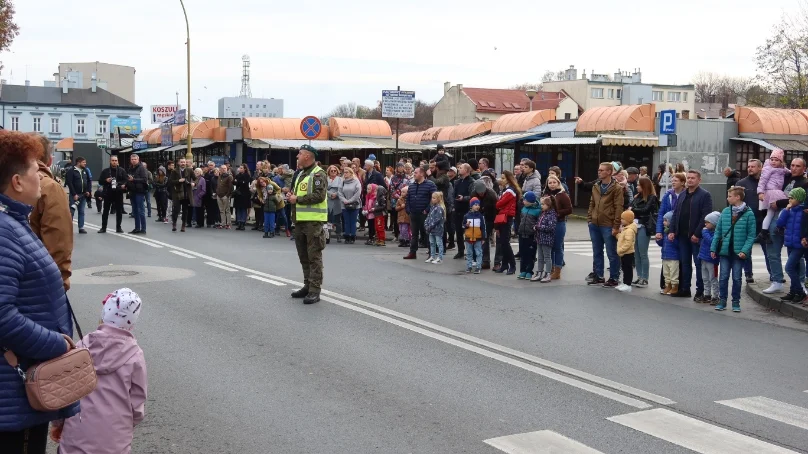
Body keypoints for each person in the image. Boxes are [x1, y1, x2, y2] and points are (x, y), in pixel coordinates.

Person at [0, 131, 78, 454]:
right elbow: (3, 315)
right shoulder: (6, 233)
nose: (42, 177)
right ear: (18, 181)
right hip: (16, 390)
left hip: (21, 386)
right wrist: (56, 343)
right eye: (37, 170)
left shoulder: (15, 223)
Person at [55, 288, 147, 454]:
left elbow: (65, 393)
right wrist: (128, 423)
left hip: (76, 437)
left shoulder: (81, 347)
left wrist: (58, 423)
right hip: (115, 441)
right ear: (132, 323)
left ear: (104, 314)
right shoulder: (135, 356)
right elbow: (137, 403)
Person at [28, 135, 73, 291]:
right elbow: (58, 242)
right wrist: (60, 282)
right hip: (38, 281)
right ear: (50, 161)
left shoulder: (8, 181)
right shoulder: (50, 187)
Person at [289, 144, 327, 305]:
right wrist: (291, 195)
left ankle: (315, 290)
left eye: (299, 154)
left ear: (307, 156)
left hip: (313, 222)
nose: (297, 157)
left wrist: (298, 199)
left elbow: (319, 195)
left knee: (314, 257)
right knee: (303, 256)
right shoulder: (300, 174)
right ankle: (307, 285)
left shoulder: (318, 174)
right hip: (300, 221)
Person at [762, 158, 807, 294]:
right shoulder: (784, 176)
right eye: (792, 165)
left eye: (798, 166)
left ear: (804, 168)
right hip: (776, 216)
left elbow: (800, 200)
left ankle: (800, 283)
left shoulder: (805, 183)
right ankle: (777, 281)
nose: (794, 168)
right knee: (772, 251)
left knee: (795, 255)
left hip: (794, 219)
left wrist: (780, 203)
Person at [669, 170, 714, 299]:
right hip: (682, 235)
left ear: (699, 180)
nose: (690, 180)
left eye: (693, 178)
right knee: (685, 263)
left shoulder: (705, 195)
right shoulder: (682, 194)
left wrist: (697, 233)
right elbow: (675, 214)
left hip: (695, 237)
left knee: (699, 264)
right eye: (688, 178)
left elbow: (705, 216)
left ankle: (700, 291)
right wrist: (672, 230)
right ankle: (685, 289)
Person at [711, 186, 755, 312]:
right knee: (723, 277)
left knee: (737, 277)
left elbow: (751, 235)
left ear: (738, 197)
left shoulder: (749, 213)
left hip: (738, 253)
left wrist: (744, 251)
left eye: (730, 196)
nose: (727, 198)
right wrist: (713, 248)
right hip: (725, 251)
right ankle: (722, 300)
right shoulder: (725, 211)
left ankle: (736, 301)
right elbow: (718, 231)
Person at [586, 162, 623, 287]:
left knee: (611, 252)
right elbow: (592, 203)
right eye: (599, 170)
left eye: (602, 170)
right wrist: (589, 219)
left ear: (609, 172)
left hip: (608, 224)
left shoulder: (616, 188)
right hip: (595, 223)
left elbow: (619, 207)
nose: (599, 172)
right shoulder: (596, 186)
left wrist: (616, 226)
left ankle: (614, 277)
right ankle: (598, 275)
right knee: (597, 251)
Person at [736, 159, 765, 285]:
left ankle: (774, 275)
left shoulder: (765, 183)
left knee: (768, 249)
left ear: (760, 168)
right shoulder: (742, 183)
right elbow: (736, 202)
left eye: (753, 166)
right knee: (747, 249)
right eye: (748, 166)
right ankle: (748, 273)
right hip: (747, 220)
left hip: (763, 220)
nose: (750, 168)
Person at [776, 187, 808, 303]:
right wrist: (786, 210)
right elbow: (779, 223)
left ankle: (800, 292)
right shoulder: (789, 211)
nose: (789, 200)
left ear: (799, 199)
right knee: (793, 268)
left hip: (799, 245)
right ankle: (793, 291)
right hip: (790, 243)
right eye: (789, 197)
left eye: (792, 198)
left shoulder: (804, 212)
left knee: (789, 267)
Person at [629, 176, 658, 288]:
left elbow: (645, 210)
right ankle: (639, 276)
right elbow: (629, 207)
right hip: (635, 225)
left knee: (643, 252)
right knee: (636, 253)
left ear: (644, 186)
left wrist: (633, 210)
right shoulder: (637, 196)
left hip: (644, 226)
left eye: (639, 185)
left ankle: (645, 278)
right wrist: (633, 210)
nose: (637, 187)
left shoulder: (652, 197)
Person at [756, 149, 790, 243]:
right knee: (781, 209)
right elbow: (762, 181)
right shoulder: (767, 168)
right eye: (772, 159)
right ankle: (778, 227)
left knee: (771, 213)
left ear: (781, 161)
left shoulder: (783, 169)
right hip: (772, 192)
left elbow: (789, 172)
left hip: (776, 191)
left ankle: (764, 231)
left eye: (776, 160)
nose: (773, 161)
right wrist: (760, 192)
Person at [403, 167, 438, 260]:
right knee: (414, 234)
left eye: (416, 172)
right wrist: (408, 209)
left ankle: (431, 253)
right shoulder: (411, 185)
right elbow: (408, 198)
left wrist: (427, 210)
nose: (414, 174)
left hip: (425, 214)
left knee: (427, 233)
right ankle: (412, 252)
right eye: (414, 172)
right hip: (413, 213)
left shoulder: (430, 185)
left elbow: (434, 198)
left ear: (422, 174)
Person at [543, 175, 572, 279]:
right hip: (547, 224)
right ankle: (549, 269)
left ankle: (557, 270)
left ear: (558, 183)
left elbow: (569, 209)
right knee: (548, 247)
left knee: (557, 247)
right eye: (550, 183)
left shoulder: (563, 195)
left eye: (554, 182)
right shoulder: (546, 194)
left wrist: (556, 213)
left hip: (559, 223)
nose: (552, 185)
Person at [494, 171, 520, 275]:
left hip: (506, 216)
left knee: (505, 242)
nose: (501, 180)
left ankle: (512, 265)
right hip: (503, 216)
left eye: (503, 178)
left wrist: (498, 203)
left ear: (508, 179)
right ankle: (505, 264)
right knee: (502, 242)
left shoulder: (510, 191)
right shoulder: (506, 190)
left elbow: (499, 203)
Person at [532, 196, 557, 283]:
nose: (541, 206)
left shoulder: (551, 215)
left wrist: (538, 227)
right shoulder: (543, 213)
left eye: (543, 204)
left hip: (547, 239)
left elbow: (550, 227)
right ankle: (539, 273)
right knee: (540, 257)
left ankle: (548, 273)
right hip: (539, 238)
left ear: (548, 205)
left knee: (547, 257)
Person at [516, 191, 541, 280]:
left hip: (531, 235)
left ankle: (529, 271)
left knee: (531, 254)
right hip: (522, 233)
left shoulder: (538, 211)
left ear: (530, 201)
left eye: (525, 200)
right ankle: (523, 270)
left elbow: (539, 222)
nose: (523, 202)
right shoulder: (523, 209)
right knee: (523, 253)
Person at [699, 211, 721, 305]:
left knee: (713, 278)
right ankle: (707, 294)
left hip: (712, 260)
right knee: (705, 278)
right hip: (704, 257)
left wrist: (704, 232)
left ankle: (715, 296)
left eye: (707, 222)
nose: (705, 224)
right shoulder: (707, 231)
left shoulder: (715, 233)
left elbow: (712, 242)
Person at [66, 156, 91, 234]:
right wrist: (74, 194)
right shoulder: (71, 171)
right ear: (78, 162)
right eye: (83, 162)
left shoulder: (85, 170)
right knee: (72, 211)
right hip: (75, 195)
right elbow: (69, 183)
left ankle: (81, 227)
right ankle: (69, 228)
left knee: (81, 211)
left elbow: (89, 181)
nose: (85, 164)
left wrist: (88, 191)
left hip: (83, 195)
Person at [658, 211, 680, 295]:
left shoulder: (674, 233)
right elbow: (662, 244)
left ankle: (675, 286)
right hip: (665, 256)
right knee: (666, 273)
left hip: (674, 256)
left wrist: (673, 240)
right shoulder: (664, 232)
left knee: (674, 273)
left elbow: (678, 245)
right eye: (663, 220)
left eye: (665, 220)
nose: (663, 222)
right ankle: (668, 285)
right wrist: (659, 239)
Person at [127, 154, 149, 235]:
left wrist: (134, 180)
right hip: (132, 191)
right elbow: (128, 178)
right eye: (132, 159)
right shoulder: (130, 168)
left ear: (138, 159)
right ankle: (137, 228)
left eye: (135, 159)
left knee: (141, 210)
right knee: (135, 211)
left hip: (140, 191)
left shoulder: (142, 168)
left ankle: (143, 228)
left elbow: (144, 179)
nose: (133, 160)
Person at [616, 210, 637, 292]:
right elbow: (622, 238)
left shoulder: (629, 230)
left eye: (623, 219)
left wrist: (621, 250)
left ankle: (628, 284)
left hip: (628, 252)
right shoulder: (626, 229)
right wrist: (617, 234)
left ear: (628, 220)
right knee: (624, 268)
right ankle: (624, 283)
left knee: (628, 269)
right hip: (624, 252)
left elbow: (628, 243)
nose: (621, 220)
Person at [169, 158, 193, 232]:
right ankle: (174, 224)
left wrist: (194, 183)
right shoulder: (174, 171)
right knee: (176, 209)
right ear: (179, 163)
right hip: (177, 193)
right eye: (181, 162)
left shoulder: (189, 170)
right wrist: (178, 181)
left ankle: (183, 225)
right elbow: (170, 181)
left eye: (184, 162)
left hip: (186, 193)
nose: (183, 163)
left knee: (185, 210)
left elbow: (196, 178)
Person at [339, 166, 361, 244]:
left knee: (353, 221)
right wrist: (345, 200)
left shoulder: (356, 181)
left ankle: (353, 236)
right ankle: (347, 236)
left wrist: (350, 200)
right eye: (344, 172)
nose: (345, 174)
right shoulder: (342, 181)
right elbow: (340, 192)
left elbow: (358, 193)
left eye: (346, 172)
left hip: (355, 204)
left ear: (351, 173)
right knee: (346, 221)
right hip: (344, 204)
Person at [463, 197, 486, 274]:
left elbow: (483, 227)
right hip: (468, 237)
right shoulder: (466, 216)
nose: (477, 206)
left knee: (478, 252)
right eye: (475, 204)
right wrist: (466, 225)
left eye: (478, 204)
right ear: (471, 206)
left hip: (478, 237)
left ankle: (478, 267)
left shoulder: (480, 216)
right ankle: (469, 266)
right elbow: (463, 226)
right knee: (469, 253)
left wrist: (483, 238)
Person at [424, 191, 446, 263]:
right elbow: (429, 216)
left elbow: (437, 220)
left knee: (439, 243)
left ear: (438, 199)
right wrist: (426, 223)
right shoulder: (432, 207)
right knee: (432, 243)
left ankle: (440, 257)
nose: (432, 199)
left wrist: (429, 226)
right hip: (431, 229)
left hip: (437, 229)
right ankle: (432, 256)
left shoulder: (440, 208)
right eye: (432, 198)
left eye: (434, 198)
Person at [216, 165, 234, 229]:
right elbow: (218, 185)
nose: (223, 169)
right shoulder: (219, 176)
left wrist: (227, 195)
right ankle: (222, 223)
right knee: (221, 210)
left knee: (227, 210)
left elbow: (231, 187)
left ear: (227, 169)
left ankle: (228, 223)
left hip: (225, 196)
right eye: (222, 168)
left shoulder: (229, 177)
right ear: (220, 169)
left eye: (225, 168)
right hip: (219, 195)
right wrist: (217, 192)